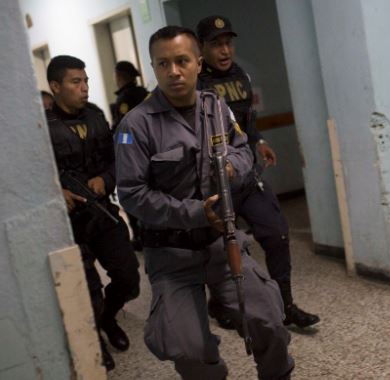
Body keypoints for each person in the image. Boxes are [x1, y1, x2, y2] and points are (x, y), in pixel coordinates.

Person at [115, 26, 294, 379]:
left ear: (198, 63)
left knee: (269, 320)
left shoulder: (216, 107)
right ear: (154, 67)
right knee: (188, 349)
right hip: (171, 255)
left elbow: (242, 149)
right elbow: (132, 194)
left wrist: (231, 167)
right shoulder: (135, 125)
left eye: (182, 61)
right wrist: (195, 213)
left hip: (222, 244)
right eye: (163, 63)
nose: (173, 71)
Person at [197, 15, 320, 329]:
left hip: (245, 176)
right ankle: (219, 302)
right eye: (216, 44)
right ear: (201, 49)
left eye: (228, 43)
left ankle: (286, 304)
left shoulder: (241, 75)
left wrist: (259, 140)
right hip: (212, 183)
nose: (225, 50)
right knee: (221, 246)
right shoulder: (195, 86)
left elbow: (246, 121)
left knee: (276, 232)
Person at [45, 55, 140, 371]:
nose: (85, 88)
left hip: (103, 212)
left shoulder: (98, 116)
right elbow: (34, 177)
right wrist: (57, 192)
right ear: (55, 86)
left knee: (128, 279)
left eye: (86, 81)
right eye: (76, 82)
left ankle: (108, 319)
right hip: (70, 223)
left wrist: (106, 179)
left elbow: (118, 158)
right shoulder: (43, 129)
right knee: (88, 290)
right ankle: (96, 338)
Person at [111, 60, 148, 251]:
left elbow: (124, 129)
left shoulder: (125, 99)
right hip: (151, 152)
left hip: (134, 156)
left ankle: (140, 238)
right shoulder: (144, 94)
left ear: (120, 76)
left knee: (132, 196)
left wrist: (124, 150)